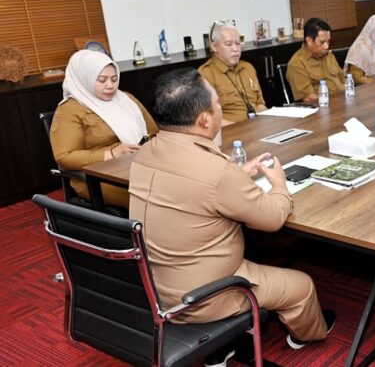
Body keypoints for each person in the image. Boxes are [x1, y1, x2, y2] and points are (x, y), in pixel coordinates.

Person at [128, 68, 335, 355]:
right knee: (302, 285)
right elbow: (273, 218)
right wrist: (279, 185)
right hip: (204, 294)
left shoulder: (145, 153)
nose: (219, 108)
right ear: (204, 120)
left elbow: (191, 188)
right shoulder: (217, 171)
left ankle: (220, 348)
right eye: (217, 104)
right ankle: (307, 338)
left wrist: (237, 175)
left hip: (154, 283)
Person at [50, 49, 158, 208]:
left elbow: (154, 132)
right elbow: (65, 157)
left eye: (114, 79)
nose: (110, 86)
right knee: (157, 193)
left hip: (138, 164)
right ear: (84, 79)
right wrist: (111, 154)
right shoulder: (69, 110)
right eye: (102, 80)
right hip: (96, 178)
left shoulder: (126, 99)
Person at [199, 21, 266, 126]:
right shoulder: (205, 74)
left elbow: (260, 104)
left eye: (238, 44)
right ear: (214, 46)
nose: (235, 49)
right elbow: (208, 119)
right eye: (228, 44)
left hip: (257, 127)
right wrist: (239, 129)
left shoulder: (248, 68)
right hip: (229, 133)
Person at [286, 18, 345, 103]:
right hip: (323, 109)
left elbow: (343, 80)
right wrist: (337, 101)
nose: (326, 47)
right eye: (322, 42)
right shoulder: (296, 64)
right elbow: (309, 98)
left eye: (328, 42)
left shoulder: (329, 55)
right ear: (309, 40)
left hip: (343, 102)